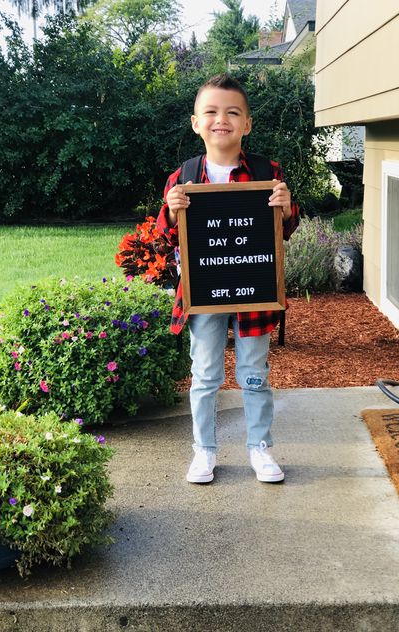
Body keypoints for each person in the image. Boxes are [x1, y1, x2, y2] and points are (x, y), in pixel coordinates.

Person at [156, 73, 299, 484]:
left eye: (233, 112)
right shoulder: (182, 177)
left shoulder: (265, 171)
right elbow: (167, 235)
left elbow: (284, 227)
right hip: (203, 292)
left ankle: (260, 448)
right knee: (204, 376)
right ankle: (204, 451)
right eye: (212, 112)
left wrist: (286, 207)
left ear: (247, 124)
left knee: (254, 374)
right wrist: (171, 209)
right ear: (196, 122)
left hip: (255, 289)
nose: (222, 119)